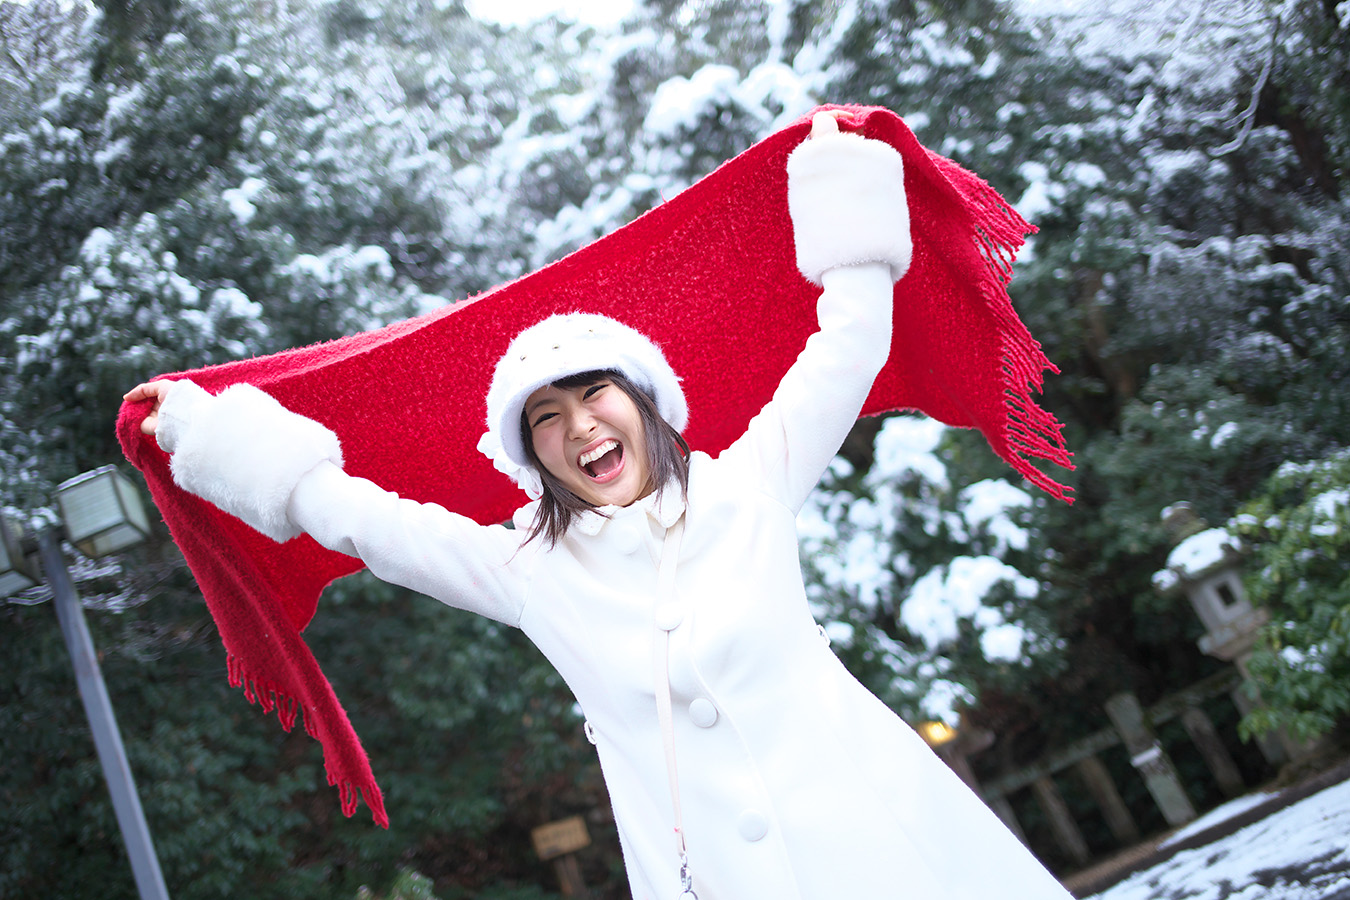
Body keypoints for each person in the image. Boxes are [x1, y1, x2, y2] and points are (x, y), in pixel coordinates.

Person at [126, 113, 1072, 900]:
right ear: (530, 453)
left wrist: (839, 167)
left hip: (880, 854)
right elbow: (365, 520)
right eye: (546, 417)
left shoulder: (752, 482)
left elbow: (850, 341)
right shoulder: (531, 571)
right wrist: (211, 436)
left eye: (594, 395)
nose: (579, 427)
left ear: (646, 402)